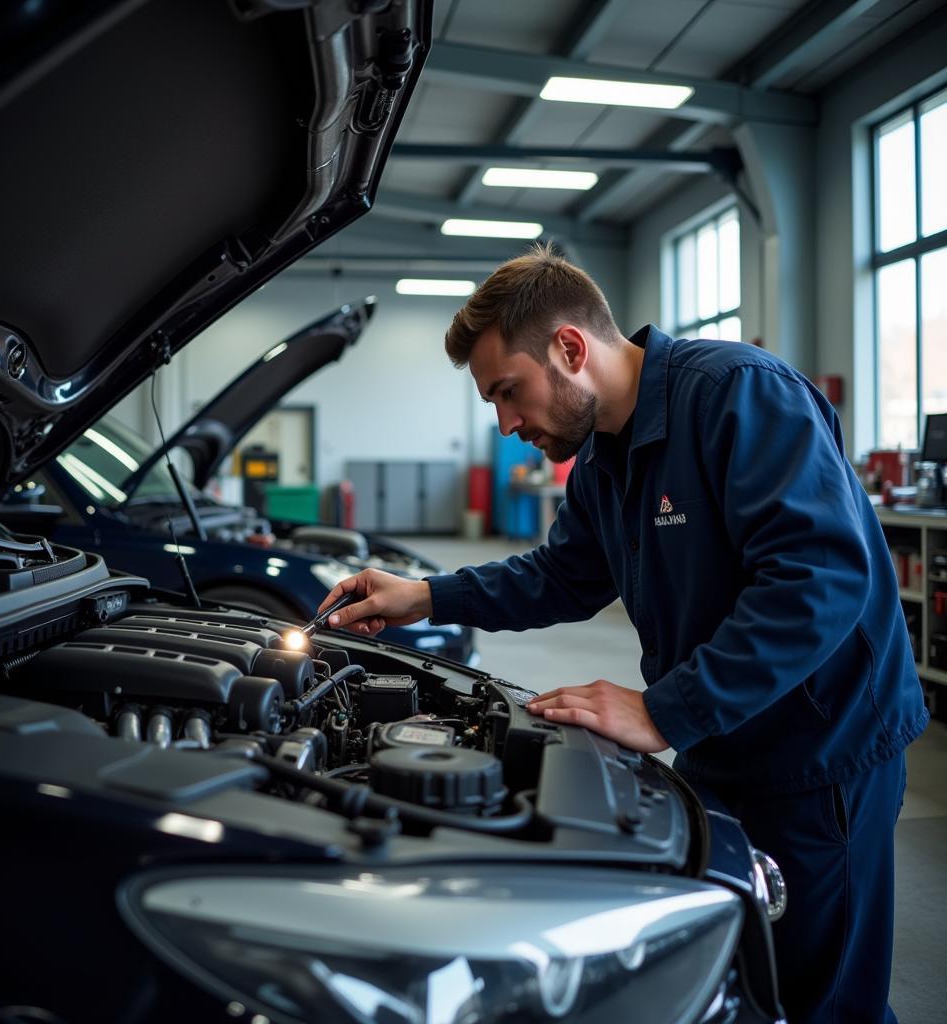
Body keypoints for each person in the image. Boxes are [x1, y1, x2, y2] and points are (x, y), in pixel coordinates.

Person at [316, 244, 928, 1024]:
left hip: (822, 753)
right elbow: (562, 575)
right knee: (741, 976)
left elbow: (821, 580)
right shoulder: (605, 457)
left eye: (510, 392)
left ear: (570, 348)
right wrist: (427, 596)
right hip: (723, 747)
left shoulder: (739, 394)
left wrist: (663, 711)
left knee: (824, 1000)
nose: (506, 424)